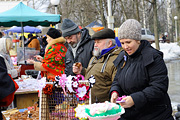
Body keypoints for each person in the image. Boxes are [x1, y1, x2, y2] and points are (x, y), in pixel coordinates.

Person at [110, 19, 173, 120]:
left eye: (128, 42)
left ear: (138, 40)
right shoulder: (123, 57)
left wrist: (134, 99)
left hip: (154, 115)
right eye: (122, 43)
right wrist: (115, 91)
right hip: (130, 115)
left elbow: (159, 87)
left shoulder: (153, 57)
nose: (125, 47)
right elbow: (117, 79)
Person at [73, 28, 122, 103]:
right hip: (90, 105)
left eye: (98, 42)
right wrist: (82, 71)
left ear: (109, 43)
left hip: (104, 109)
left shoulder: (116, 59)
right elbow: (96, 77)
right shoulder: (95, 57)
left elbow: (117, 85)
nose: (95, 45)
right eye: (95, 42)